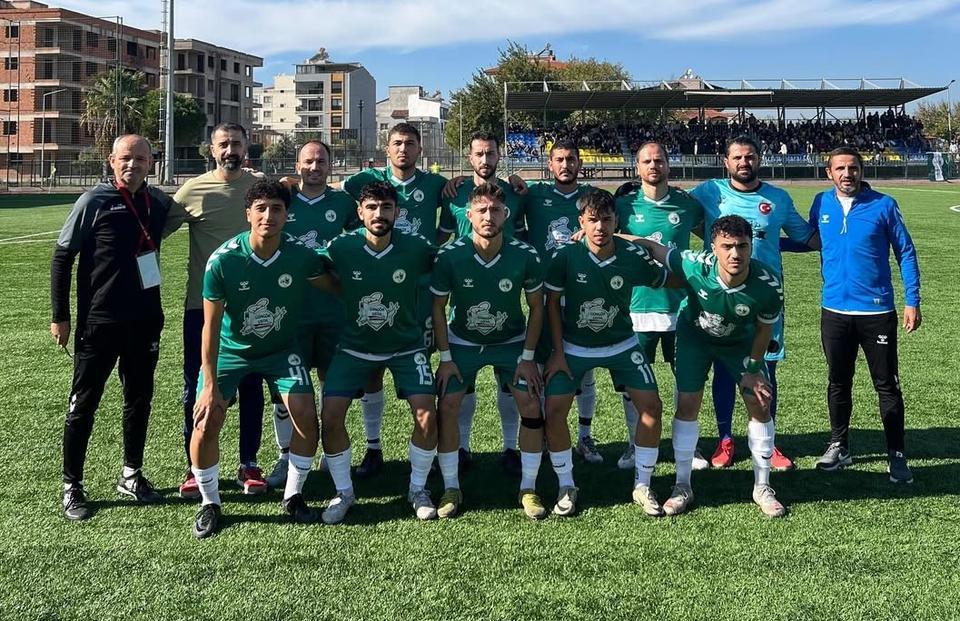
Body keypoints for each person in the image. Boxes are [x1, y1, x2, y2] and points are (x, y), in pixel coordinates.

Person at [190, 180, 331, 538]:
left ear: (287, 215)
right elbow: (210, 327)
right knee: (206, 420)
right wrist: (209, 384)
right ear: (248, 214)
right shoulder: (224, 260)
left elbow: (338, 285)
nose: (269, 216)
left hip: (281, 350)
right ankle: (210, 502)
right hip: (232, 350)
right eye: (261, 209)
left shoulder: (301, 255)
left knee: (305, 414)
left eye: (277, 209)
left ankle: (293, 496)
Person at [633, 215, 788, 518]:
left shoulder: (768, 284)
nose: (735, 254)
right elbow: (652, 248)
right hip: (695, 339)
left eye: (742, 246)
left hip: (740, 343)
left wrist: (754, 369)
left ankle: (762, 486)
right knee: (687, 404)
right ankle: (682, 485)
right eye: (727, 246)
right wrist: (609, 237)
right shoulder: (695, 264)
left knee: (759, 402)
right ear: (713, 248)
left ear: (751, 246)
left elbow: (764, 330)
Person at [51, 134, 172, 520]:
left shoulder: (158, 202)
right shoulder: (94, 201)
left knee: (139, 399)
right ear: (111, 160)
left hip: (145, 320)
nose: (132, 164)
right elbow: (62, 257)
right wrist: (60, 316)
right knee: (83, 404)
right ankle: (72, 486)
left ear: (151, 163)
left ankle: (131, 474)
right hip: (99, 321)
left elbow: (199, 208)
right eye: (125, 158)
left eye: (140, 158)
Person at [690, 135, 819, 471]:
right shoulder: (709, 192)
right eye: (737, 157)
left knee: (765, 369)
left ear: (759, 159)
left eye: (749, 156)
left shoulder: (778, 198)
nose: (743, 162)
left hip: (765, 297)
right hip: (721, 298)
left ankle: (769, 442)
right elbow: (677, 214)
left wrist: (844, 236)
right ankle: (725, 440)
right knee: (723, 369)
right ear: (726, 162)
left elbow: (806, 237)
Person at [318, 182, 439, 524]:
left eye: (386, 207)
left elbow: (453, 259)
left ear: (397, 212)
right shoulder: (341, 246)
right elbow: (310, 267)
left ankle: (418, 489)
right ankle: (344, 491)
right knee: (331, 415)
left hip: (406, 346)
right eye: (371, 207)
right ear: (359, 212)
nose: (379, 214)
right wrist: (340, 290)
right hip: (354, 347)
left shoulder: (416, 246)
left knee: (427, 417)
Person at [543, 190, 669, 516]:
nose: (600, 227)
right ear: (581, 223)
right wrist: (557, 352)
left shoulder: (631, 254)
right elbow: (551, 305)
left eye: (606, 219)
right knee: (553, 410)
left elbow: (667, 279)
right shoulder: (565, 256)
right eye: (593, 220)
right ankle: (566, 484)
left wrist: (707, 281)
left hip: (622, 343)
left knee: (652, 406)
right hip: (574, 346)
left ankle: (643, 484)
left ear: (616, 222)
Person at [164, 123, 269, 499]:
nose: (230, 150)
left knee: (252, 384)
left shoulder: (259, 187)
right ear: (211, 150)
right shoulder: (192, 191)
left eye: (236, 144)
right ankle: (195, 468)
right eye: (223, 144)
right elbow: (154, 232)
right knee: (196, 386)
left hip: (252, 309)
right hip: (202, 308)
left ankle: (249, 463)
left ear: (246, 147)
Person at [432, 182, 546, 519]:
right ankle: (451, 486)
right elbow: (438, 307)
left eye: (495, 210)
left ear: (506, 215)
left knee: (530, 402)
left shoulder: (524, 254)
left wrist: (528, 358)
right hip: (463, 341)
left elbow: (537, 307)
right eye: (481, 210)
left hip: (510, 342)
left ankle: (529, 487)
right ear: (468, 215)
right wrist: (445, 358)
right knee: (448, 403)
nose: (488, 216)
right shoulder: (450, 255)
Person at [340, 122, 447, 478]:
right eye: (397, 143)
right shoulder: (366, 181)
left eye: (410, 143)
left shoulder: (435, 184)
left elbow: (460, 206)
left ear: (420, 149)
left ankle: (433, 448)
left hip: (418, 291)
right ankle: (373, 447)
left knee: (420, 368)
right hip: (376, 288)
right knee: (372, 371)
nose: (403, 149)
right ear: (387, 148)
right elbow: (332, 191)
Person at [808, 147, 921, 482]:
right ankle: (839, 445)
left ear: (861, 170)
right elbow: (812, 241)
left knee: (886, 385)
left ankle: (896, 454)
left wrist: (912, 301)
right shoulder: (821, 203)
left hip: (876, 312)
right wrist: (770, 242)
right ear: (829, 173)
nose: (847, 174)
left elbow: (905, 251)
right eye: (840, 168)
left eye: (853, 168)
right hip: (834, 311)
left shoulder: (884, 205)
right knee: (838, 381)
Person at [263, 140, 358, 489]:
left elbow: (361, 240)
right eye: (308, 161)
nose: (314, 167)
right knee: (285, 390)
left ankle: (331, 453)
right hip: (290, 312)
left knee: (332, 387)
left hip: (333, 311)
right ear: (297, 165)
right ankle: (285, 454)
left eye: (321, 161)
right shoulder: (283, 199)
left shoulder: (344, 203)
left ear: (330, 166)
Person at [613, 141, 706, 471]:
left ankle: (688, 447)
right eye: (647, 161)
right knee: (632, 386)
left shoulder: (687, 204)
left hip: (681, 307)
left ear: (668, 164)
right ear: (637, 167)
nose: (654, 166)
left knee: (687, 383)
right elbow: (604, 236)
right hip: (637, 307)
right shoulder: (623, 206)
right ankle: (634, 444)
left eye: (659, 160)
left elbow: (710, 235)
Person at [438, 131, 527, 475]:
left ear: (499, 155)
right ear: (469, 157)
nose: (485, 160)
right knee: (465, 383)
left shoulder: (516, 193)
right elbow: (441, 238)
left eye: (491, 153)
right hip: (464, 298)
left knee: (509, 383)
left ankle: (510, 447)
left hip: (504, 294)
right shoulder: (454, 192)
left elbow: (525, 238)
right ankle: (462, 448)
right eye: (479, 154)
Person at [523, 140, 601, 464]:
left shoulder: (593, 197)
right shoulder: (533, 195)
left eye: (571, 159)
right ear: (550, 164)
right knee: (543, 366)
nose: (565, 165)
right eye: (559, 159)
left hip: (582, 293)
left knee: (584, 369)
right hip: (544, 294)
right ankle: (544, 436)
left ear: (580, 163)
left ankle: (584, 437)